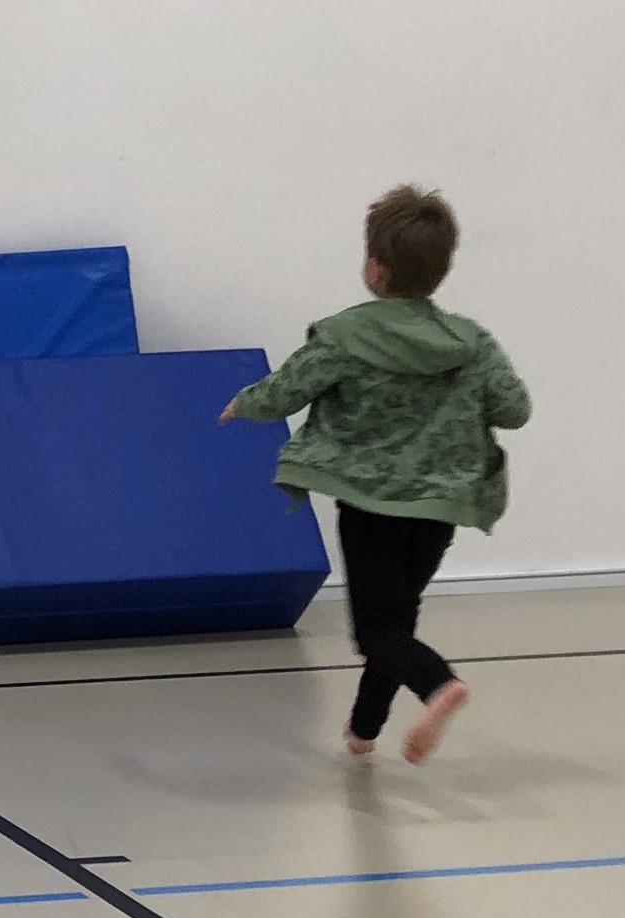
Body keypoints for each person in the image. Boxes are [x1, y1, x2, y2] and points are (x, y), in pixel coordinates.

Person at [222, 185, 530, 765]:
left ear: (374, 268)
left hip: (371, 505)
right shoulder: (471, 342)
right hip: (439, 507)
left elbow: (288, 390)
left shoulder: (345, 335)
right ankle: (364, 730)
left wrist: (244, 403)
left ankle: (438, 684)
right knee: (396, 618)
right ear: (442, 269)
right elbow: (515, 410)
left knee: (377, 632)